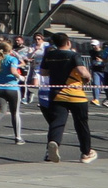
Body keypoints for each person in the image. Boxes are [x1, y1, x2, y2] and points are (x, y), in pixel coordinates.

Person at [38, 31, 96, 162]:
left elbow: (43, 72)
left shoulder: (49, 54)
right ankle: (86, 153)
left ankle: (53, 142)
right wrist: (88, 77)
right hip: (76, 95)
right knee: (81, 123)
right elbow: (83, 72)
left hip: (57, 94)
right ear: (68, 42)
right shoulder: (73, 55)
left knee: (57, 121)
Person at [0, 41, 26, 144]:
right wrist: (21, 77)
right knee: (15, 113)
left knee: (2, 110)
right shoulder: (12, 59)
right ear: (10, 50)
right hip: (12, 88)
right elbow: (13, 71)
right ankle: (18, 137)